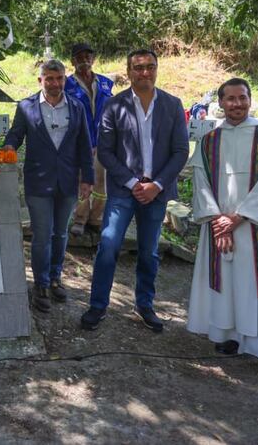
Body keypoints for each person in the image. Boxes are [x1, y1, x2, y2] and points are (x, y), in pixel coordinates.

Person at [187, 78, 258, 387]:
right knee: (228, 281)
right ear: (220, 103)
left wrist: (237, 218)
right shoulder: (210, 141)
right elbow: (200, 184)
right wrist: (217, 221)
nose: (237, 104)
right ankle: (231, 335)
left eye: (242, 98)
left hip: (254, 228)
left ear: (250, 99)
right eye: (230, 99)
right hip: (219, 227)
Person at [81, 49, 189, 333]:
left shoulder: (173, 105)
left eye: (150, 67)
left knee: (149, 252)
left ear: (157, 69)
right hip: (123, 191)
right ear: (128, 72)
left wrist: (156, 185)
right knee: (108, 247)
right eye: (138, 68)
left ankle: (144, 305)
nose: (144, 72)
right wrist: (132, 183)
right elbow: (105, 152)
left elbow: (180, 151)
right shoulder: (114, 106)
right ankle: (98, 305)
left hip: (157, 192)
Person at [4, 59, 94, 312]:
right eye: (50, 79)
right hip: (38, 180)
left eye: (59, 78)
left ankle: (55, 278)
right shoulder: (26, 107)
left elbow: (84, 145)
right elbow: (16, 133)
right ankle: (41, 284)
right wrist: (8, 147)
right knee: (42, 235)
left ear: (65, 79)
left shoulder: (76, 107)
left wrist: (87, 178)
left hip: (67, 180)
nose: (55, 84)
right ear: (40, 80)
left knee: (60, 234)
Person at [64, 42, 114, 236]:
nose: (84, 60)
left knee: (102, 181)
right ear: (72, 61)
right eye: (79, 57)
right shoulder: (67, 84)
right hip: (78, 141)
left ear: (93, 59)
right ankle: (80, 218)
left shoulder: (105, 83)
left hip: (102, 140)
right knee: (81, 179)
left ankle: (96, 218)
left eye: (88, 56)